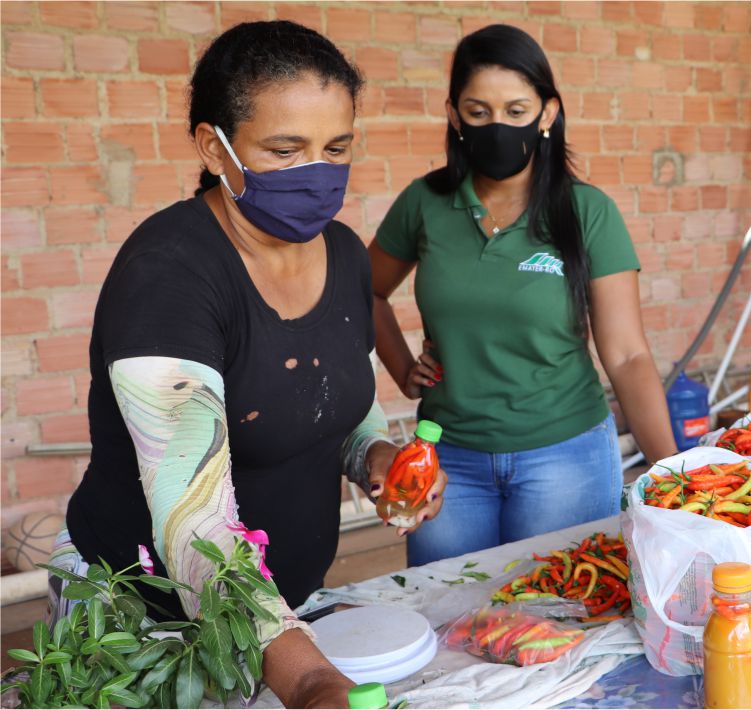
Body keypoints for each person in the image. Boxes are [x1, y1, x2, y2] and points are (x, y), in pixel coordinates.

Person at [53, 21, 445, 708]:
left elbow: (336, 403)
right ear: (215, 146)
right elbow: (193, 526)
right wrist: (314, 681)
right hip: (146, 633)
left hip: (284, 618)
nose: (317, 173)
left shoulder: (347, 255)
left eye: (337, 148)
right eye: (285, 149)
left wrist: (377, 458)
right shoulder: (169, 277)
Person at [369, 24, 678, 567]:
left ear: (548, 113)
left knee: (556, 623)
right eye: (479, 110)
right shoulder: (425, 203)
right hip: (448, 462)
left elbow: (628, 355)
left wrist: (676, 478)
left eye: (516, 110)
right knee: (448, 620)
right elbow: (366, 291)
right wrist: (400, 368)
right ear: (453, 114)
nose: (498, 126)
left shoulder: (587, 212)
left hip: (565, 459)